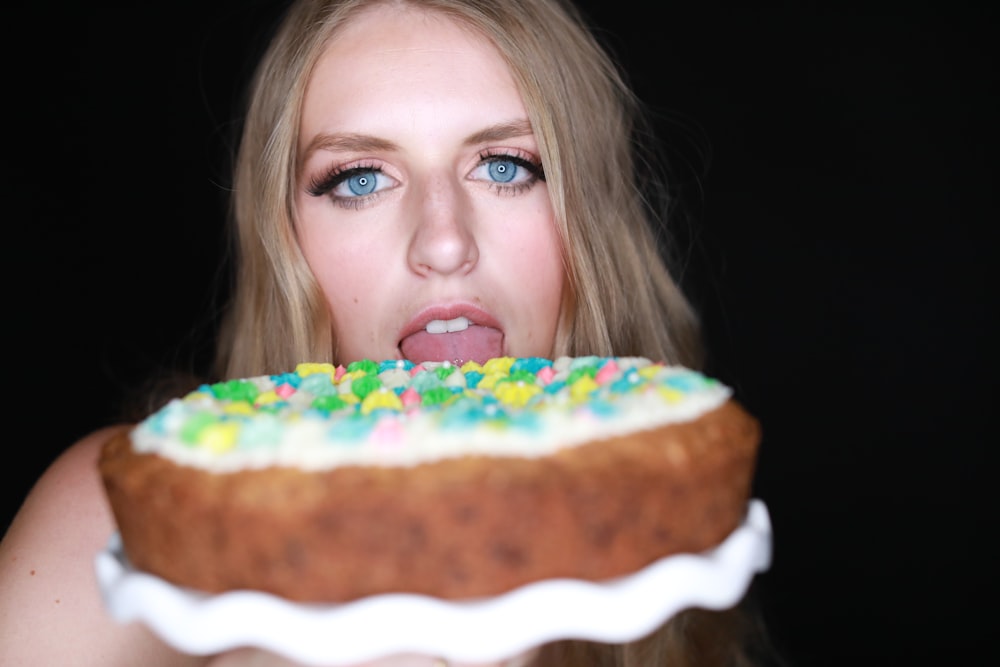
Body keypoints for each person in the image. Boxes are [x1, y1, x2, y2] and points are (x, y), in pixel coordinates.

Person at [1, 0, 780, 665]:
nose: (443, 242)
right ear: (285, 237)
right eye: (360, 180)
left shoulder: (678, 563)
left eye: (506, 166)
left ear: (590, 219)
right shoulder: (115, 521)